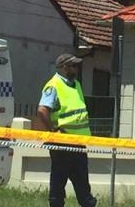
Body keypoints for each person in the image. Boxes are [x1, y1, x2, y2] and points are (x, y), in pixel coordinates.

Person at [35, 53, 97, 207]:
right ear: (64, 67)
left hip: (78, 143)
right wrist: (53, 131)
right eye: (73, 66)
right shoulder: (53, 85)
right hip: (62, 143)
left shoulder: (76, 85)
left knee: (83, 183)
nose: (77, 68)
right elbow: (42, 110)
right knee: (58, 182)